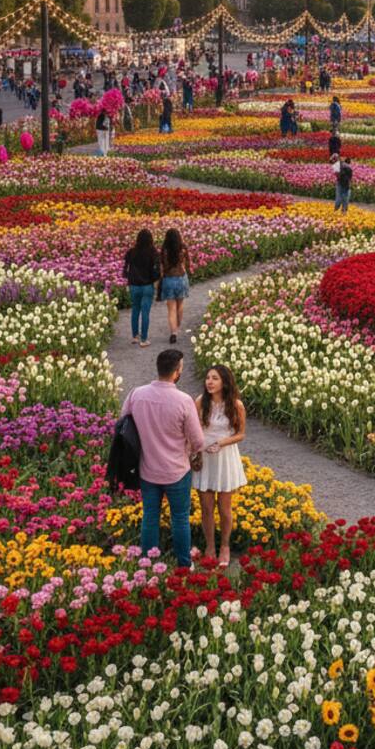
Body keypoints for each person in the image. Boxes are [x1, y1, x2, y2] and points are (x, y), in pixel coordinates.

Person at [120, 348, 204, 568]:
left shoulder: (136, 394)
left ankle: (148, 562)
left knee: (150, 516)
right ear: (177, 372)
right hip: (176, 469)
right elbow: (198, 441)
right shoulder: (184, 401)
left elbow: (122, 425)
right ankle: (184, 564)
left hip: (147, 468)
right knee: (179, 518)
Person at [192, 364, 248, 568]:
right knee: (206, 508)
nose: (209, 382)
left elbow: (241, 434)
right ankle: (209, 546)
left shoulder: (236, 405)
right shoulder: (200, 402)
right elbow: (192, 427)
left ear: (224, 381)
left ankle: (225, 545)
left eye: (214, 378)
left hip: (225, 457)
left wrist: (222, 443)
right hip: (205, 458)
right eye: (208, 378)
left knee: (225, 509)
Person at [123, 229, 162, 347]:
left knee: (135, 310)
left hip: (134, 285)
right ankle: (144, 339)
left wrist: (129, 278)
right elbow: (156, 269)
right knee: (145, 312)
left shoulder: (131, 252)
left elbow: (125, 269)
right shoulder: (153, 252)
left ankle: (135, 336)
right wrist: (155, 279)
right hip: (147, 286)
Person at [160, 228, 191, 344]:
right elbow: (188, 262)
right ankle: (177, 326)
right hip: (181, 278)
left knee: (171, 309)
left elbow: (162, 265)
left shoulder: (164, 250)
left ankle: (173, 333)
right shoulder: (182, 248)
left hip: (168, 279)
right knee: (180, 305)